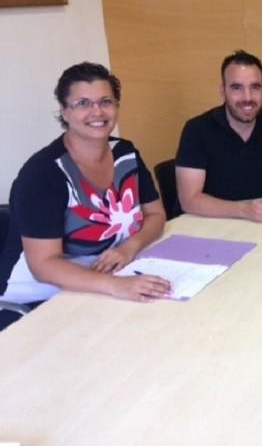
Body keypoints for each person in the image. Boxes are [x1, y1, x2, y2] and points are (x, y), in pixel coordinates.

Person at [0, 62, 170, 329]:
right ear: (64, 112)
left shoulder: (125, 153)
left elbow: (156, 214)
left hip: (104, 283)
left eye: (106, 101)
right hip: (37, 299)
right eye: (82, 103)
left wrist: (129, 247)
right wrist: (116, 286)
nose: (97, 111)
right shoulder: (43, 174)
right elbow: (44, 266)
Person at [175, 50, 262, 223]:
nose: (247, 97)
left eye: (255, 87)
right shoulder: (197, 129)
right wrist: (244, 210)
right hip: (202, 224)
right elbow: (189, 200)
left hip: (251, 224)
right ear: (223, 91)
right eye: (237, 88)